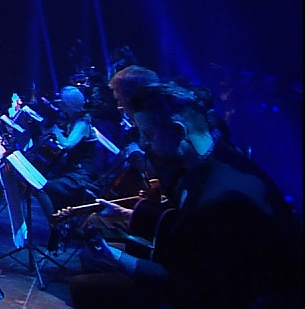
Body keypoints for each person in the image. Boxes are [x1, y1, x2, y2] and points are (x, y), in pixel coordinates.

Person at [68, 82, 303, 309]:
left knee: (87, 289)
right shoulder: (212, 159)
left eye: (149, 135)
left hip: (246, 299)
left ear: (179, 131)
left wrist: (114, 257)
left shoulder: (222, 198)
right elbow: (189, 228)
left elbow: (185, 286)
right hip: (217, 287)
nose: (145, 144)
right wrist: (127, 215)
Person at [31, 86, 100, 250]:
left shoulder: (83, 123)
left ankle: (56, 226)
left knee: (42, 188)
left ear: (70, 105)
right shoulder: (75, 121)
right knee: (42, 184)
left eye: (63, 104)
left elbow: (67, 145)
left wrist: (55, 130)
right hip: (72, 171)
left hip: (81, 176)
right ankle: (58, 223)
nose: (61, 107)